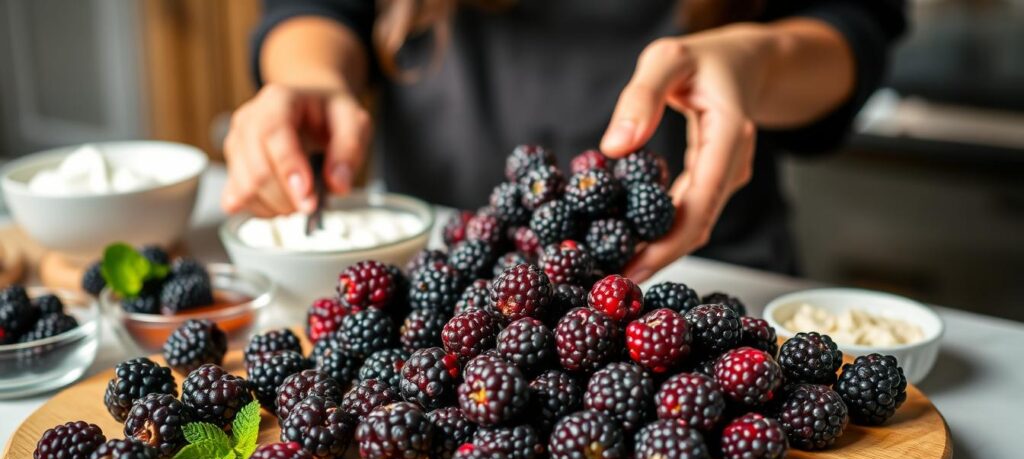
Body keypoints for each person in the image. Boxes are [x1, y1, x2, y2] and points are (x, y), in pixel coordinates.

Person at [222, 0, 905, 281]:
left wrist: (758, 61)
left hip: (707, 269)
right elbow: (311, 7)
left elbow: (855, 23)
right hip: (450, 264)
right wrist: (309, 77)